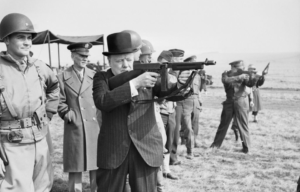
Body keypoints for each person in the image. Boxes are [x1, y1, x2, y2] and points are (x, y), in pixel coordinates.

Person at [93, 31, 191, 192]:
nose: (125, 65)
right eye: (119, 61)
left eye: (129, 60)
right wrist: (134, 84)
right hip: (113, 149)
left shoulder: (145, 73)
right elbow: (102, 101)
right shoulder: (101, 78)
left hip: (145, 148)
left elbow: (167, 93)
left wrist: (180, 84)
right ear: (109, 60)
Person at [0, 13, 59, 191]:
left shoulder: (39, 67)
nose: (27, 42)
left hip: (40, 140)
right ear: (6, 40)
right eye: (20, 37)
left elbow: (54, 87)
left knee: (43, 186)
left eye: (29, 38)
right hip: (11, 145)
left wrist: (47, 113)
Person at [57, 42, 100, 192]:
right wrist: (67, 114)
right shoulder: (62, 77)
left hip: (94, 126)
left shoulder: (95, 76)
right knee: (76, 165)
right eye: (82, 55)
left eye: (87, 56)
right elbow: (59, 101)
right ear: (73, 55)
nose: (85, 59)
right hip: (75, 126)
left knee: (96, 165)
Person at [209, 60, 251, 154]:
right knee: (223, 125)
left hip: (241, 101)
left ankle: (246, 147)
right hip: (229, 102)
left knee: (243, 125)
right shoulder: (225, 74)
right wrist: (239, 77)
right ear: (234, 67)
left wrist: (253, 78)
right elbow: (226, 80)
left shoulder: (244, 74)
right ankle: (215, 146)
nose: (242, 70)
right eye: (240, 68)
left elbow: (250, 83)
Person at [174, 55, 202, 159]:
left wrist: (199, 101)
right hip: (185, 101)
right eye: (193, 63)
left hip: (195, 102)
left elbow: (198, 90)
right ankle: (190, 151)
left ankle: (191, 146)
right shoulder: (182, 74)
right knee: (187, 127)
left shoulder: (197, 75)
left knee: (195, 127)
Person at [157, 50, 178, 180]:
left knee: (169, 142)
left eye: (168, 63)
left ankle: (166, 169)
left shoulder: (172, 76)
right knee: (159, 142)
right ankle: (158, 170)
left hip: (170, 112)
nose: (166, 65)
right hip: (159, 111)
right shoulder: (154, 74)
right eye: (164, 62)